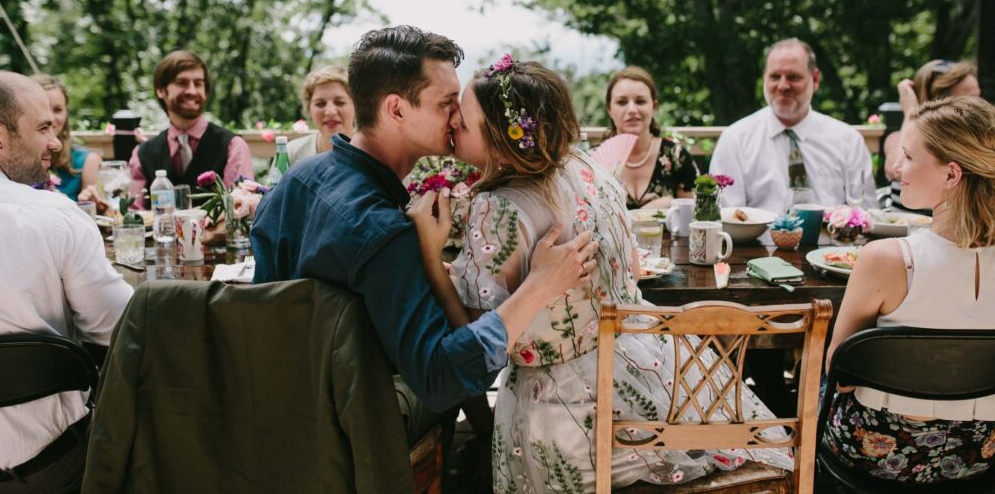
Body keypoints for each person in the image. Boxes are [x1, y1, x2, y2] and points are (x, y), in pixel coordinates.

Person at [411, 56, 792, 489]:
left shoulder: (495, 209)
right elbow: (630, 266)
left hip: (563, 410)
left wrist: (430, 258)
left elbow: (484, 343)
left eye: (465, 117)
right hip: (648, 368)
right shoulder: (588, 168)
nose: (455, 122)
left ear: (502, 139)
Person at [250, 26, 599, 417]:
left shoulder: (293, 182)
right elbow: (440, 379)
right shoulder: (381, 231)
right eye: (447, 103)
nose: (458, 116)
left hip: (269, 409)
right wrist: (537, 286)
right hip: (355, 429)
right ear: (396, 109)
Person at [0, 70, 133, 491]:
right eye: (43, 127)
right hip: (53, 469)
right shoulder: (55, 217)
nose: (56, 142)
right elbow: (121, 330)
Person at [821, 96, 995, 485]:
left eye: (909, 157)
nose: (896, 168)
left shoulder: (885, 260)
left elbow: (841, 373)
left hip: (880, 454)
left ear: (952, 175)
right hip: (980, 453)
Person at [709, 38, 877, 215]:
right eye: (775, 77)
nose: (783, 86)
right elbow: (725, 215)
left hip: (834, 241)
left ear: (815, 79)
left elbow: (866, 213)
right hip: (756, 242)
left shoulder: (848, 140)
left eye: (793, 77)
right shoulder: (735, 140)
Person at [127, 50, 253, 203]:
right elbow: (135, 215)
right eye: (182, 83)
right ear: (161, 90)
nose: (192, 91)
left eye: (198, 84)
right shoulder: (142, 155)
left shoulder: (233, 147)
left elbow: (239, 212)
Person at [604, 66, 699, 209]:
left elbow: (698, 215)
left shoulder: (676, 157)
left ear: (654, 107)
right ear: (609, 109)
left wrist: (671, 203)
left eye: (640, 101)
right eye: (622, 102)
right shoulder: (593, 163)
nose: (632, 110)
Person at [883, 59, 980, 181]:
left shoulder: (980, 142)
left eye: (978, 97)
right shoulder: (896, 139)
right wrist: (911, 113)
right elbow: (896, 170)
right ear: (935, 104)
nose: (979, 107)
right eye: (968, 101)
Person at [29, 74, 101, 202]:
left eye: (57, 110)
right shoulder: (14, 159)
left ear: (66, 113)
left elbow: (93, 215)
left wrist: (91, 205)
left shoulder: (87, 161)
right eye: (42, 109)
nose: (50, 118)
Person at [287, 65, 355, 163]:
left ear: (356, 105)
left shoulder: (373, 152)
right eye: (320, 104)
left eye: (339, 102)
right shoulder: (292, 152)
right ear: (309, 108)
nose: (330, 112)